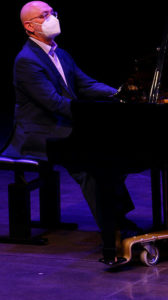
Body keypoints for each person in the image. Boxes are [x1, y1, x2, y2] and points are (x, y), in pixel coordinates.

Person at [2, 1, 140, 264]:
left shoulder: (60, 54)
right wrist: (91, 116)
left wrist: (118, 94)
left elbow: (85, 84)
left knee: (109, 153)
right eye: (44, 15)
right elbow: (53, 102)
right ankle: (111, 229)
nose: (52, 17)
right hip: (37, 133)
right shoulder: (26, 61)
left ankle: (118, 216)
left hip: (61, 126)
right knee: (87, 164)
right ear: (30, 27)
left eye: (53, 12)